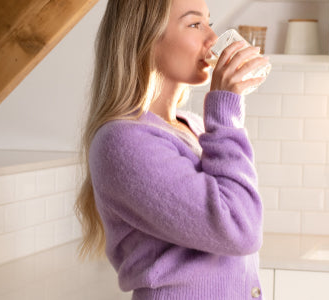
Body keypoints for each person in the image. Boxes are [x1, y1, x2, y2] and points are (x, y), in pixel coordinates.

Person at [74, 0, 269, 298]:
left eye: (209, 22)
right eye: (194, 24)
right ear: (146, 38)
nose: (212, 39)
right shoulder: (122, 141)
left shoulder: (194, 126)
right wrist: (226, 111)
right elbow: (241, 228)